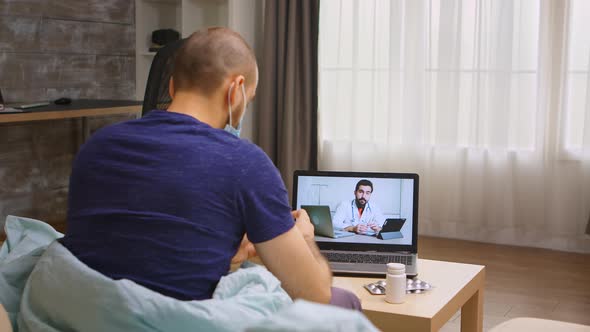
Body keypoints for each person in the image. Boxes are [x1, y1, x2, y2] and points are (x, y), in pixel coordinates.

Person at [59, 27, 360, 310]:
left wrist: (227, 256)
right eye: (249, 99)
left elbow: (132, 251)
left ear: (172, 85)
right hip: (176, 321)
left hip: (90, 314)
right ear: (237, 89)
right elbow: (315, 295)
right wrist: (307, 238)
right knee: (343, 301)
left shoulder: (96, 146)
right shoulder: (245, 163)